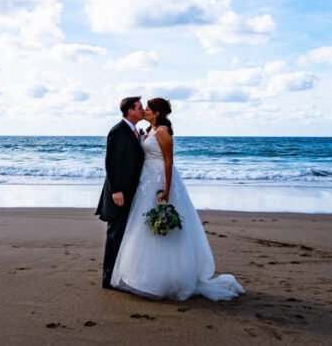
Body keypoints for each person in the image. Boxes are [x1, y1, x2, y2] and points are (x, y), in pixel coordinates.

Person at [110, 98, 244, 301]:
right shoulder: (149, 131)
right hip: (146, 182)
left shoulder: (163, 131)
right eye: (142, 107)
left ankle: (169, 278)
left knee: (163, 226)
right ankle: (145, 275)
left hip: (160, 181)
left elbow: (169, 161)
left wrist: (166, 188)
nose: (144, 111)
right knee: (143, 226)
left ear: (156, 113)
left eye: (147, 108)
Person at [95, 96, 146, 289]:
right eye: (140, 107)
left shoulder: (133, 131)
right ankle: (108, 279)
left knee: (125, 233)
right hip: (120, 193)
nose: (143, 110)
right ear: (130, 111)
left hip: (131, 191)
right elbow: (111, 162)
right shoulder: (117, 131)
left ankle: (120, 274)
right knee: (115, 234)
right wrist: (116, 190)